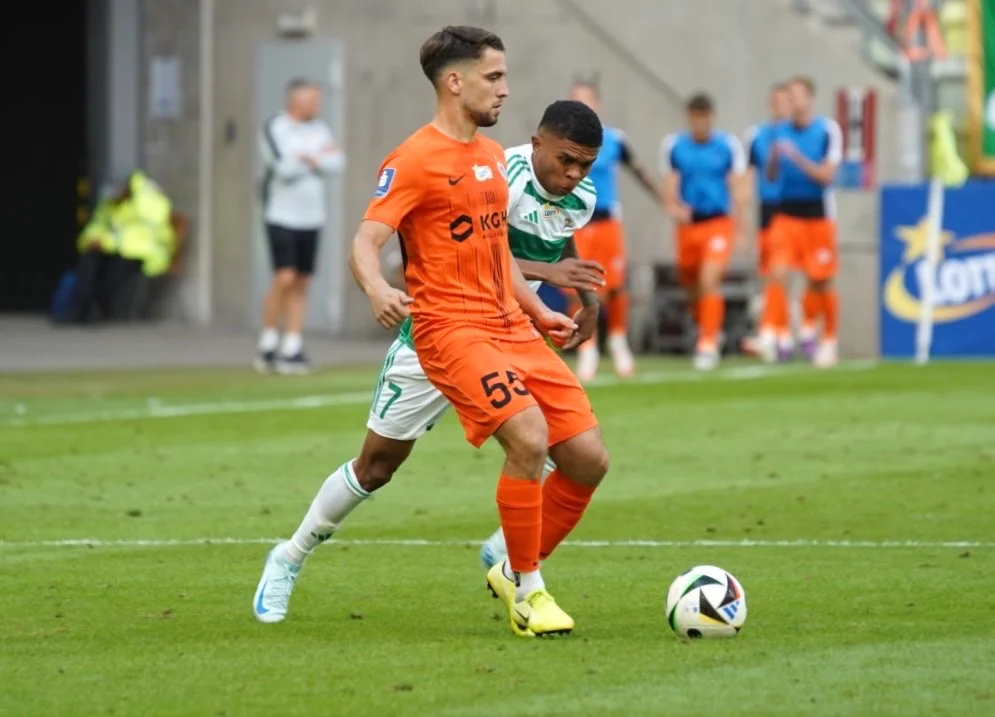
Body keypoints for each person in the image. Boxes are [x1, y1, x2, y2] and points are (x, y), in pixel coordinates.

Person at [252, 27, 610, 639]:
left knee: (586, 458)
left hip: (505, 327)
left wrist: (536, 309)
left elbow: (497, 253)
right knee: (378, 466)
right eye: (494, 77)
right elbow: (366, 240)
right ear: (455, 81)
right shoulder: (414, 159)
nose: (504, 89)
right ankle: (290, 556)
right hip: (441, 334)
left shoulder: (492, 158)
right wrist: (377, 288)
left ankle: (518, 574)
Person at [567, 80, 660, 382]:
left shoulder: (614, 140)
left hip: (607, 220)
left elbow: (638, 170)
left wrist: (666, 201)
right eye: (576, 100)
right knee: (577, 286)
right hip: (575, 222)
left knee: (616, 284)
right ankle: (588, 348)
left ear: (597, 104)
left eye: (587, 100)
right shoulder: (561, 141)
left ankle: (618, 342)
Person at [255, 77, 346, 375]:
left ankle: (292, 346)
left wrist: (309, 159)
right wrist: (317, 160)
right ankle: (268, 341)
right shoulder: (275, 127)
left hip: (312, 217)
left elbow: (337, 162)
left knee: (302, 281)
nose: (317, 106)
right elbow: (284, 167)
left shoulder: (320, 130)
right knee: (284, 277)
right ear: (297, 100)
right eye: (312, 100)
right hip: (281, 216)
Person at [660, 93, 748, 371]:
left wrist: (741, 227)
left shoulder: (727, 146)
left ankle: (708, 342)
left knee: (710, 278)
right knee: (692, 284)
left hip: (718, 222)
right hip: (689, 225)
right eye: (695, 118)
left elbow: (737, 187)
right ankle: (707, 326)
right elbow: (670, 185)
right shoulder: (675, 146)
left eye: (704, 117)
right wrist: (675, 208)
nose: (700, 123)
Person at [766, 76, 842, 368]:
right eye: (790, 96)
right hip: (787, 213)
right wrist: (774, 157)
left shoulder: (826, 130)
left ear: (810, 98)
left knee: (820, 280)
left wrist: (796, 157)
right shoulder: (779, 132)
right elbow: (770, 177)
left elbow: (826, 176)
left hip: (817, 214)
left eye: (799, 95)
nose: (794, 101)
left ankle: (825, 337)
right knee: (778, 273)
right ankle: (782, 335)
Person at [741, 83, 794, 362]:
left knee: (778, 272)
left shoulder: (798, 135)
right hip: (767, 209)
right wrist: (742, 215)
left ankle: (769, 332)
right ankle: (782, 335)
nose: (780, 106)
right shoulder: (758, 135)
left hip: (792, 210)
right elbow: (749, 175)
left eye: (785, 101)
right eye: (776, 101)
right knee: (770, 274)